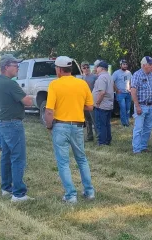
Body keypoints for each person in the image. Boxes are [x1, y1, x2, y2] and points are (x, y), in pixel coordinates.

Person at [44, 56, 95, 204]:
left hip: (60, 126)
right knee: (81, 159)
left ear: (59, 69)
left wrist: (49, 126)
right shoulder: (82, 84)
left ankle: (71, 195)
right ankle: (89, 191)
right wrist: (77, 106)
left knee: (63, 162)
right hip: (78, 126)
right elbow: (90, 107)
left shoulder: (54, 85)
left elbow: (49, 111)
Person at [0, 54, 34, 202]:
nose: (18, 67)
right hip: (12, 124)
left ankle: (6, 188)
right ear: (6, 67)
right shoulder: (10, 84)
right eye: (15, 65)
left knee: (6, 156)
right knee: (18, 158)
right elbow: (28, 101)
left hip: (2, 122)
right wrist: (29, 97)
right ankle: (18, 194)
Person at [131, 56, 152, 154]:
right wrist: (137, 106)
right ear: (143, 65)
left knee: (148, 128)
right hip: (141, 105)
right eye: (150, 64)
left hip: (151, 105)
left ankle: (143, 146)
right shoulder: (137, 75)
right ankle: (136, 149)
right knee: (138, 128)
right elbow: (133, 91)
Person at [92, 61, 114, 146]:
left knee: (101, 124)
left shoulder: (101, 78)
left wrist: (97, 102)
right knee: (107, 124)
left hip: (102, 105)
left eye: (97, 67)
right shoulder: (109, 76)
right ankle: (107, 140)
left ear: (101, 68)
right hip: (108, 104)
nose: (96, 69)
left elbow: (102, 92)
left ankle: (102, 142)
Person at [112, 59, 132, 127]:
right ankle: (124, 123)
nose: (125, 66)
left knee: (128, 108)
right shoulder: (116, 73)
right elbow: (112, 82)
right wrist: (116, 90)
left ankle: (127, 121)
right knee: (123, 108)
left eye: (126, 64)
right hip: (120, 94)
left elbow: (131, 81)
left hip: (128, 93)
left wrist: (130, 89)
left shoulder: (129, 73)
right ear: (120, 65)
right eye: (124, 64)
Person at [81, 61, 98, 141]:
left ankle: (98, 136)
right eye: (84, 68)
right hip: (84, 102)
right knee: (87, 120)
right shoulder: (81, 78)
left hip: (92, 101)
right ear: (82, 69)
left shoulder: (94, 77)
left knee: (95, 120)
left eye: (87, 67)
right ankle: (89, 136)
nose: (86, 69)